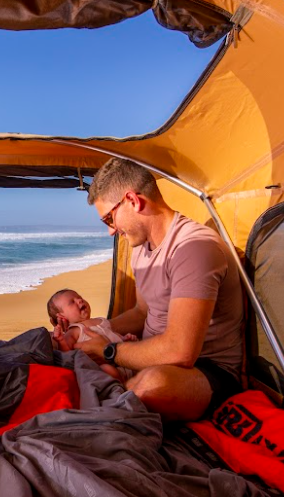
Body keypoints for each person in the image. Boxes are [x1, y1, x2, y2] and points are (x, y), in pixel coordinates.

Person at [74, 158, 244, 421]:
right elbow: (142, 312)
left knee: (154, 384)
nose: (110, 231)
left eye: (109, 218)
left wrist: (109, 351)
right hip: (151, 355)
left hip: (205, 370)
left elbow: (180, 351)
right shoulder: (140, 249)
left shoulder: (193, 248)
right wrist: (95, 331)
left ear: (133, 200)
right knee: (77, 365)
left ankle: (105, 409)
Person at [47, 288, 136, 381]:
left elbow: (111, 333)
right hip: (109, 367)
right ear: (61, 316)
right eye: (72, 302)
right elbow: (67, 354)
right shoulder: (75, 330)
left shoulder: (100, 320)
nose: (80, 300)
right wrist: (61, 340)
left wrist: (124, 338)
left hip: (123, 360)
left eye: (79, 297)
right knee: (107, 369)